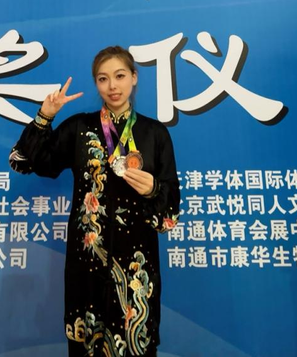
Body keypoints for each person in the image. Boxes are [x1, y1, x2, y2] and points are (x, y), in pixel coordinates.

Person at [9, 46, 181, 357]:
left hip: (135, 269)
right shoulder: (79, 128)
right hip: (86, 264)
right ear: (96, 83)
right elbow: (25, 161)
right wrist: (45, 116)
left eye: (120, 76)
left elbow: (169, 216)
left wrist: (153, 189)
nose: (112, 86)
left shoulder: (155, 134)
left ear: (134, 78)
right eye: (103, 79)